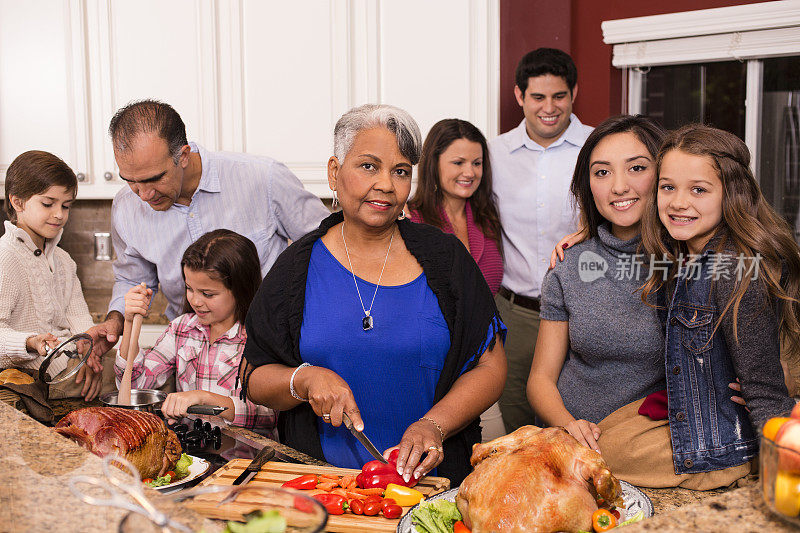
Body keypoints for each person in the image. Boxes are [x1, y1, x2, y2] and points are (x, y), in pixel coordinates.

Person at [240, 104, 507, 486]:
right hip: (326, 490)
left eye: (400, 172)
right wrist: (304, 379)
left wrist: (434, 425)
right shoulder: (295, 269)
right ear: (335, 172)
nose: (385, 184)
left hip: (433, 487)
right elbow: (255, 378)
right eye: (368, 166)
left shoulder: (446, 260)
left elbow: (491, 367)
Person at [87, 100, 329, 363]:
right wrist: (114, 321)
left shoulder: (263, 178)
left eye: (153, 179)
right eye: (130, 181)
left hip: (273, 349)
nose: (144, 194)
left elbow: (327, 250)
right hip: (192, 358)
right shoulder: (125, 207)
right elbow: (132, 280)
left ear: (183, 155)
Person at [633, 124, 799, 486]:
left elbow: (765, 393)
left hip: (727, 443)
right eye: (667, 187)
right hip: (699, 414)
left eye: (698, 190)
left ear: (731, 195)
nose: (678, 202)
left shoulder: (737, 270)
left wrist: (783, 480)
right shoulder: (680, 255)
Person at [490, 48, 593, 433]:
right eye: (538, 97)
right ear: (520, 96)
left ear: (574, 93)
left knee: (578, 425)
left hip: (582, 311)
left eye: (559, 96)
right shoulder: (494, 154)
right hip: (515, 314)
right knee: (518, 426)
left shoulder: (599, 147)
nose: (549, 107)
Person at [116, 229, 276, 434]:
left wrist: (205, 398)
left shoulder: (259, 337)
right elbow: (134, 387)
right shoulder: (182, 328)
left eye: (208, 294)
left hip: (245, 457)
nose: (196, 301)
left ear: (240, 289)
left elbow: (268, 415)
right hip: (194, 455)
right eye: (189, 288)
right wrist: (129, 323)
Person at [0, 151, 103, 400]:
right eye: (48, 204)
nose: (59, 214)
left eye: (66, 206)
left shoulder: (64, 261)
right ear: (18, 202)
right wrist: (29, 342)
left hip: (70, 370)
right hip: (34, 382)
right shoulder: (7, 258)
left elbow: (78, 317)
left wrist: (90, 356)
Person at [407, 118, 503, 295]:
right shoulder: (412, 220)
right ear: (434, 164)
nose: (470, 173)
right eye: (458, 163)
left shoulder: (488, 218)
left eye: (477, 163)